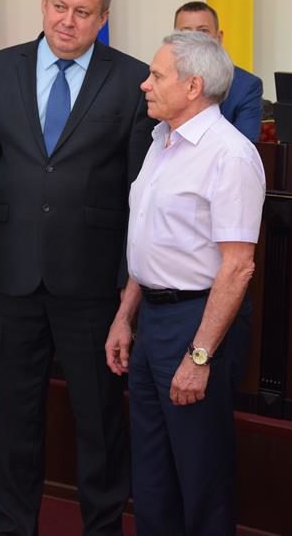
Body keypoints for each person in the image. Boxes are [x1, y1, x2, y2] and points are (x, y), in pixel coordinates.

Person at [0, 0, 155, 536]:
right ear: (43, 5)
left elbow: (140, 191)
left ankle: (102, 528)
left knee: (99, 420)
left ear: (103, 18)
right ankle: (14, 527)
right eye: (59, 7)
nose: (68, 21)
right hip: (13, 275)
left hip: (93, 282)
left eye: (83, 12)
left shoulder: (132, 79)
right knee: (15, 417)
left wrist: (128, 284)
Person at [105, 31, 266, 535]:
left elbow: (237, 267)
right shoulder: (161, 141)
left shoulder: (230, 155)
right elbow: (150, 242)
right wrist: (124, 317)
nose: (144, 84)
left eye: (157, 75)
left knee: (200, 474)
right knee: (152, 475)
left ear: (193, 86)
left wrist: (199, 357)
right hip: (152, 319)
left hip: (197, 322)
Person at [173, 1, 263, 141]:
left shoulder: (246, 86)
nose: (194, 39)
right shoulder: (159, 81)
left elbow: (243, 145)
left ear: (219, 38)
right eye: (185, 32)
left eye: (203, 31)